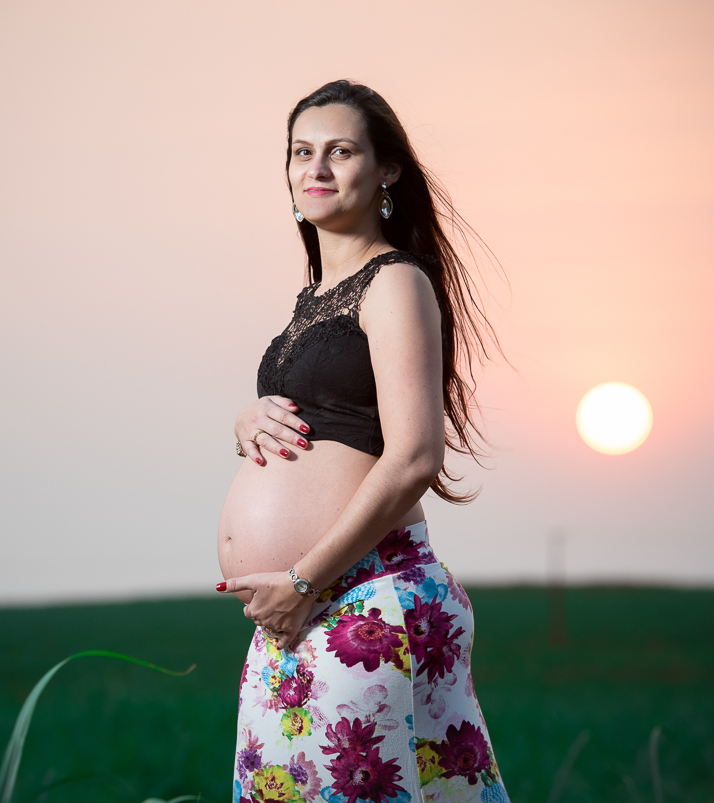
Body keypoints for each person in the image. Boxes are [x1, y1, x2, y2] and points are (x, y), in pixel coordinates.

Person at [216, 80, 510, 803]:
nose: (315, 168)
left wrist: (305, 578)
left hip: (361, 598)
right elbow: (324, 421)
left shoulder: (394, 284)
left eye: (339, 151)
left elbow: (412, 456)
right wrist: (247, 420)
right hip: (297, 610)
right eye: (300, 152)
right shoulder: (313, 300)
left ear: (387, 171)